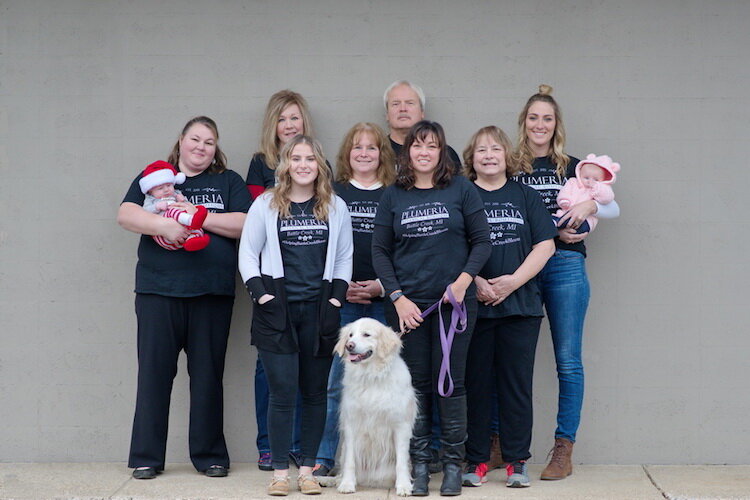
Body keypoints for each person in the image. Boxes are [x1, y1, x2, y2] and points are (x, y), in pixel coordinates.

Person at [118, 116, 251, 480]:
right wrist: (165, 224)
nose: (201, 147)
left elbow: (245, 223)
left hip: (212, 293)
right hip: (158, 292)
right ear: (181, 141)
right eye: (195, 139)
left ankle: (209, 456)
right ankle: (146, 457)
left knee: (208, 377)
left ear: (215, 148)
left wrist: (198, 217)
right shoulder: (155, 177)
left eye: (209, 142)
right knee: (154, 376)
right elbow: (126, 214)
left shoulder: (228, 180)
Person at [372, 120, 491, 496]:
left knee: (452, 383)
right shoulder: (393, 195)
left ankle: (453, 465)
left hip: (454, 307)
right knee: (417, 386)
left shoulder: (461, 189)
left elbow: (483, 242)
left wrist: (462, 282)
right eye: (417, 145)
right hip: (410, 311)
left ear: (442, 153)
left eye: (432, 146)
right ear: (407, 152)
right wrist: (397, 297)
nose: (424, 152)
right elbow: (379, 250)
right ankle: (420, 464)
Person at [512, 85, 620, 480]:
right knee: (506, 357)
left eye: (548, 118)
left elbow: (612, 204)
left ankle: (563, 448)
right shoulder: (509, 165)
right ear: (524, 123)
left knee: (568, 361)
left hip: (565, 267)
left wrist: (592, 203)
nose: (540, 125)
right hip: (521, 267)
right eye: (534, 117)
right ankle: (497, 441)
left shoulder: (573, 167)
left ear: (556, 125)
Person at [238, 135, 353, 496]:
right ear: (285, 164)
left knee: (315, 392)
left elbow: (344, 258)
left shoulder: (334, 206)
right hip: (277, 311)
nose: (303, 164)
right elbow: (247, 254)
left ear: (320, 165)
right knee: (282, 392)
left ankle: (306, 470)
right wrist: (262, 296)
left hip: (319, 311)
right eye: (296, 158)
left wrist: (335, 302)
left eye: (310, 158)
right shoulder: (265, 204)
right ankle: (279, 473)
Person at [459, 126, 556, 489]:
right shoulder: (462, 195)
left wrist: (513, 281)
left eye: (495, 149)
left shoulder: (524, 195)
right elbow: (451, 246)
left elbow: (545, 245)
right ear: (471, 158)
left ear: (507, 156)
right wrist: (476, 281)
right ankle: (478, 460)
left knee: (516, 386)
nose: (488, 155)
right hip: (475, 306)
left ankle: (517, 462)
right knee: (477, 385)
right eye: (481, 149)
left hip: (521, 306)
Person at [312, 122, 396, 477]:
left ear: (382, 154)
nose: (364, 153)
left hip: (383, 299)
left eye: (372, 147)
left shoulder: (395, 194)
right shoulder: (333, 193)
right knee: (337, 383)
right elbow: (318, 245)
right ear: (347, 154)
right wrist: (338, 285)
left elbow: (404, 249)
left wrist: (381, 285)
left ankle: (387, 461)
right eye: (357, 147)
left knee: (389, 383)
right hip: (343, 299)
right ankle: (326, 457)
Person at [246, 89, 316, 470]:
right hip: (272, 288)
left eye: (295, 118)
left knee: (307, 369)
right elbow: (256, 226)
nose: (289, 125)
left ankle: (299, 446)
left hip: (310, 288)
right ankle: (269, 445)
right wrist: (260, 290)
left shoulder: (316, 164)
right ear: (272, 127)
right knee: (269, 370)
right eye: (282, 119)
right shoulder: (260, 165)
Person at [383, 80, 462, 174]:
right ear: (387, 114)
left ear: (422, 112)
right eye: (395, 104)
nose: (403, 109)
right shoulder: (376, 152)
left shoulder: (445, 153)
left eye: (410, 103)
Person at [139, 160, 210, 251]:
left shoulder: (176, 193)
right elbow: (145, 211)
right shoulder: (151, 199)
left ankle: (193, 240)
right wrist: (157, 207)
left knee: (195, 225)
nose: (166, 190)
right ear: (151, 191)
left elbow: (187, 206)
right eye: (160, 188)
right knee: (172, 211)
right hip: (165, 237)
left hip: (183, 234)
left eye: (169, 185)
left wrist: (183, 200)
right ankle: (191, 220)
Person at [553, 153, 621, 234]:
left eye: (595, 179)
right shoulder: (573, 182)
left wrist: (592, 204)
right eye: (586, 178)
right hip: (564, 213)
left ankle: (555, 225)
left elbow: (611, 204)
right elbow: (565, 191)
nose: (590, 181)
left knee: (577, 225)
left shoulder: (601, 189)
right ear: (579, 174)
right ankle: (553, 224)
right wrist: (564, 200)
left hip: (586, 220)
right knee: (558, 219)